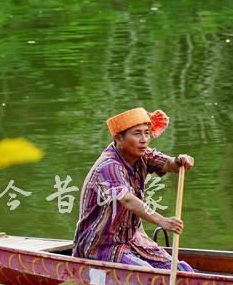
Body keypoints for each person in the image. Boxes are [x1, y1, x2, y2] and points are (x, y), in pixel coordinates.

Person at [72, 107, 194, 271]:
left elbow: (170, 164)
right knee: (149, 275)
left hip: (134, 240)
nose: (144, 139)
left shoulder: (142, 155)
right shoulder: (108, 166)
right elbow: (128, 200)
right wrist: (162, 221)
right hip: (102, 245)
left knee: (181, 269)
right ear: (119, 138)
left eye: (147, 133)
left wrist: (181, 160)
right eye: (137, 134)